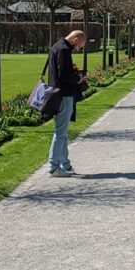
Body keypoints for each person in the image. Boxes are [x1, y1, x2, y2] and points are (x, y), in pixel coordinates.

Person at [47, 30, 87, 178]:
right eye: (80, 46)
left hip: (58, 93)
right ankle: (53, 166)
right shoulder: (64, 50)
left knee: (62, 132)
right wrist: (79, 77)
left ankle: (65, 163)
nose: (78, 49)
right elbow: (64, 75)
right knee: (61, 132)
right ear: (75, 39)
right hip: (64, 94)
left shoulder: (56, 47)